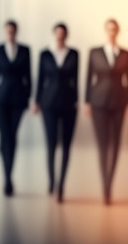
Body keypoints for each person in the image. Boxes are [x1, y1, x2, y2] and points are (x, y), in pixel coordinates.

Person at [84, 18, 128, 205]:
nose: (112, 32)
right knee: (103, 144)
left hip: (119, 101)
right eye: (109, 29)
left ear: (118, 31)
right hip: (99, 102)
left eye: (114, 29)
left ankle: (110, 183)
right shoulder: (95, 52)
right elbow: (88, 78)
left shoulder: (126, 53)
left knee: (116, 143)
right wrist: (87, 101)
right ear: (106, 31)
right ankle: (105, 184)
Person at [33, 23, 78, 203]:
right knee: (51, 143)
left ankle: (61, 185)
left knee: (66, 145)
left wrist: (78, 100)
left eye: (63, 34)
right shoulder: (45, 53)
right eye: (57, 33)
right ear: (54, 34)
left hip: (68, 103)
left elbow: (76, 79)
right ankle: (51, 179)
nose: (60, 36)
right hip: (49, 103)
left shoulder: (73, 53)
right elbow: (40, 78)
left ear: (66, 35)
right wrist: (37, 101)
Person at [0, 20, 31, 196]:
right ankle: (7, 178)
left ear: (16, 32)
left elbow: (29, 76)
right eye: (8, 31)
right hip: (0, 99)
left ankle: (9, 174)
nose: (10, 34)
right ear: (5, 32)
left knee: (12, 135)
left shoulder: (25, 50)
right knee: (5, 135)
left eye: (13, 31)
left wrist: (28, 97)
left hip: (18, 99)